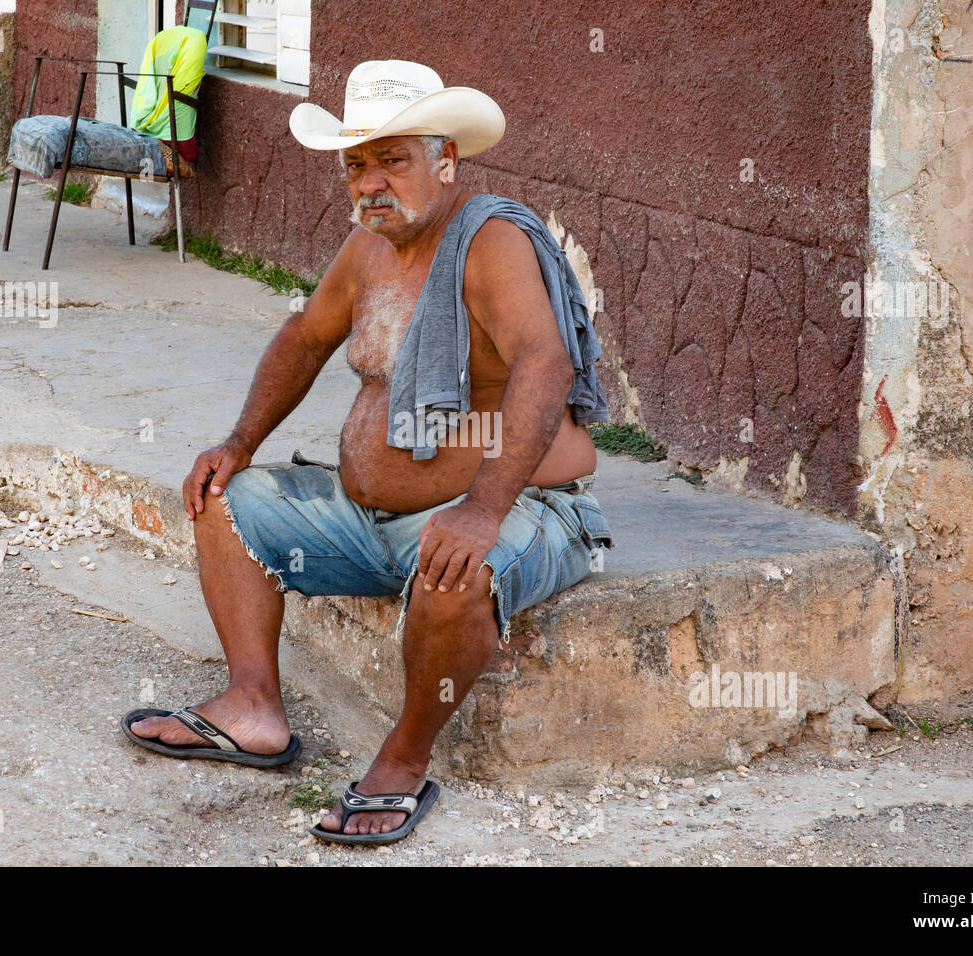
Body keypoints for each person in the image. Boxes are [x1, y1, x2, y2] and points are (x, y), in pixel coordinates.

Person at [121, 59, 613, 845]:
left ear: (445, 160)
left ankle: (402, 762)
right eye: (357, 164)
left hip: (507, 506)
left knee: (459, 572)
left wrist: (483, 509)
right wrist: (240, 441)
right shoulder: (368, 247)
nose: (372, 182)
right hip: (369, 517)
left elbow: (545, 363)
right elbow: (306, 335)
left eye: (394, 159)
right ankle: (252, 707)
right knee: (220, 496)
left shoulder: (489, 241)